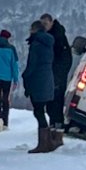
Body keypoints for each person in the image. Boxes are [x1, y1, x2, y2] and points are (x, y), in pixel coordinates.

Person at [23, 19, 59, 153]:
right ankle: (48, 141)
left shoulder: (36, 44)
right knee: (41, 110)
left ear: (34, 30)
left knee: (38, 111)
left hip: (38, 80)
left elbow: (32, 65)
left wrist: (25, 77)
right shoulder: (49, 43)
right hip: (47, 78)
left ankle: (44, 143)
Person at [45, 14, 75, 144]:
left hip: (56, 76)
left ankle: (57, 130)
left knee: (55, 102)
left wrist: (58, 75)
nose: (44, 27)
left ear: (51, 22)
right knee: (51, 102)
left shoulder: (58, 38)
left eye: (46, 24)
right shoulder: (54, 36)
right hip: (53, 75)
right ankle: (54, 129)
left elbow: (65, 59)